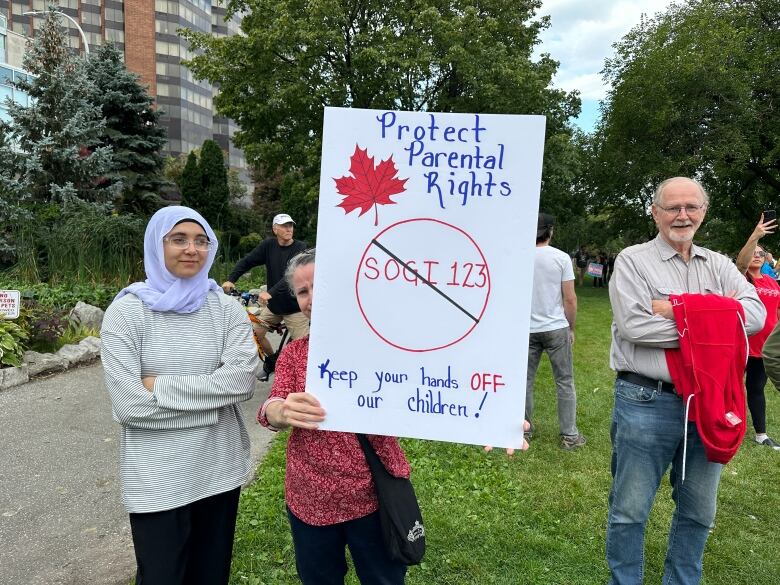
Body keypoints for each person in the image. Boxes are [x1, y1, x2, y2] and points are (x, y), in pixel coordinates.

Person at [607, 177, 764, 585]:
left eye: (691, 207)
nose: (682, 215)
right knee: (629, 510)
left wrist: (678, 313)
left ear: (703, 213)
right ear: (655, 213)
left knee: (698, 511)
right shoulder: (632, 260)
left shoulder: (720, 264)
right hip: (646, 398)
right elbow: (634, 326)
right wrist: (715, 324)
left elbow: (758, 315)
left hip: (710, 403)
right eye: (672, 207)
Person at [100, 206, 260, 585]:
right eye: (179, 239)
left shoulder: (225, 310)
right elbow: (129, 405)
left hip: (218, 471)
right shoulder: (126, 313)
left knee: (211, 574)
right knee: (161, 576)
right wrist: (212, 405)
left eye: (201, 240)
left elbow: (241, 383)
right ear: (157, 246)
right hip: (157, 478)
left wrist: (160, 386)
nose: (191, 249)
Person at [257, 249, 411, 584]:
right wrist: (280, 411)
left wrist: (491, 422)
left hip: (374, 494)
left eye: (319, 285)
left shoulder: (384, 347)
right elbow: (271, 407)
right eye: (302, 291)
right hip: (311, 496)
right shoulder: (295, 355)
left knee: (384, 579)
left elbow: (434, 394)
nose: (312, 298)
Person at [525, 213, 586, 450]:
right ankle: (569, 435)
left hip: (527, 329)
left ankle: (524, 431)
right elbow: (569, 298)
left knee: (525, 381)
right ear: (550, 231)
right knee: (564, 381)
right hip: (555, 327)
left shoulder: (520, 256)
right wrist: (571, 327)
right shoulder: (561, 258)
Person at [222, 213, 308, 367]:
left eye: (291, 225)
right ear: (275, 229)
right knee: (255, 334)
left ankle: (300, 377)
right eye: (284, 226)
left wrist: (270, 292)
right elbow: (247, 261)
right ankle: (273, 360)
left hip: (295, 308)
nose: (289, 229)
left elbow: (292, 275)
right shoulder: (268, 246)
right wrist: (231, 279)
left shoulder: (300, 248)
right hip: (274, 307)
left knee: (303, 349)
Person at [735, 214, 780, 449]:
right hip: (740, 344)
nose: (756, 255)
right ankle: (725, 424)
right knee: (730, 386)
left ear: (765, 259)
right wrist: (755, 236)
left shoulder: (772, 282)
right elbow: (741, 262)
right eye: (754, 251)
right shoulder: (740, 279)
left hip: (763, 349)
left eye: (761, 253)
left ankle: (761, 434)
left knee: (756, 389)